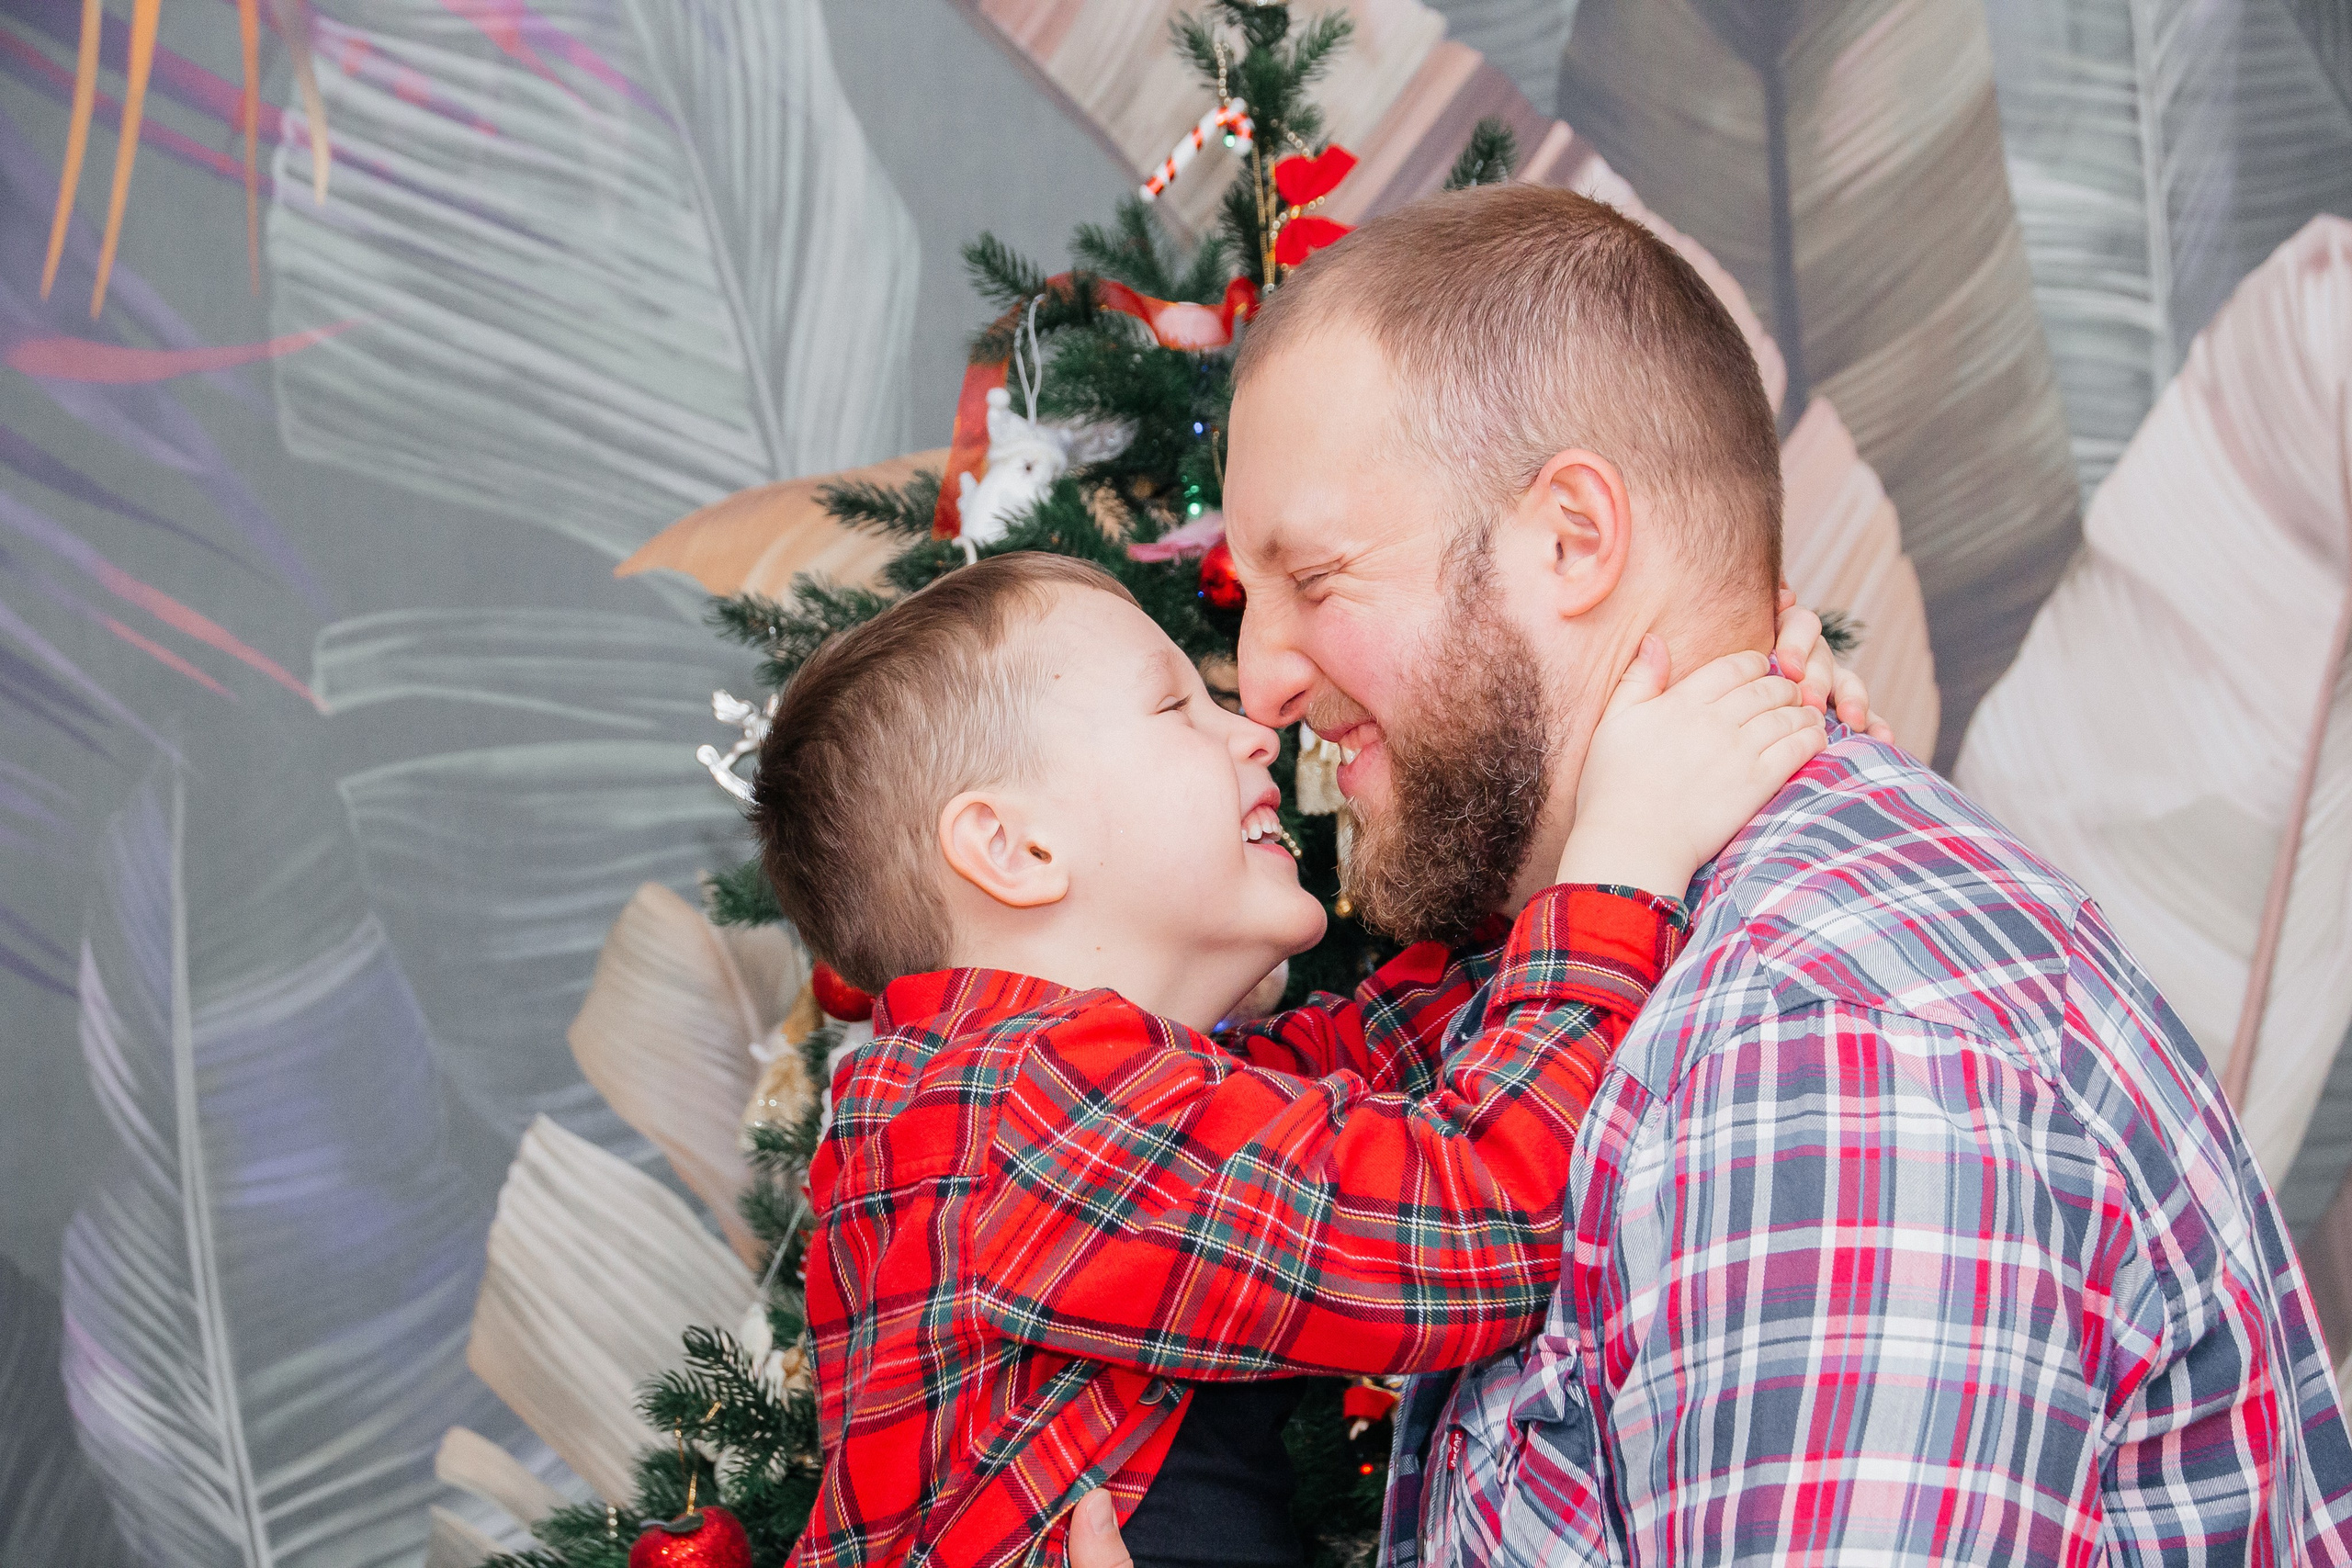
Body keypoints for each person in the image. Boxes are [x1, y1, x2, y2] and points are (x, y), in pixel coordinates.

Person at [1067, 184, 2352, 1568]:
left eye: (1316, 575)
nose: (1261, 678)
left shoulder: (1824, 1049)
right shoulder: (1631, 969)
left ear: (1572, 537)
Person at [754, 549, 1846, 1568]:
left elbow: (1394, 1052)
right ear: (1017, 849)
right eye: (1175, 707)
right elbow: (1481, 1220)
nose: (1251, 732)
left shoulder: (1040, 1096)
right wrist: (1623, 868)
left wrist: (1693, 754)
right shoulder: (1023, 1116)